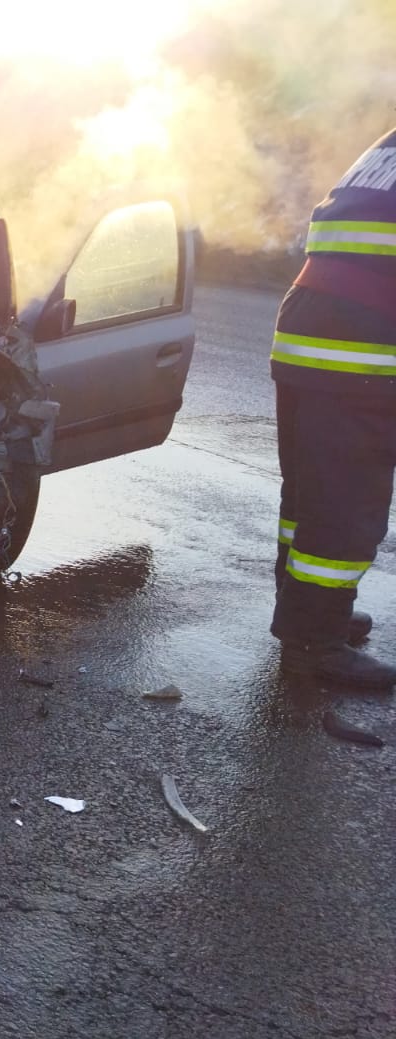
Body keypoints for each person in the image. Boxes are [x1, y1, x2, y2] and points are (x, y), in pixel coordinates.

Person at [269, 127, 396, 689]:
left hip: (311, 333)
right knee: (346, 502)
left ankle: (305, 612)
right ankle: (313, 642)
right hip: (360, 349)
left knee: (309, 494)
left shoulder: (387, 145)